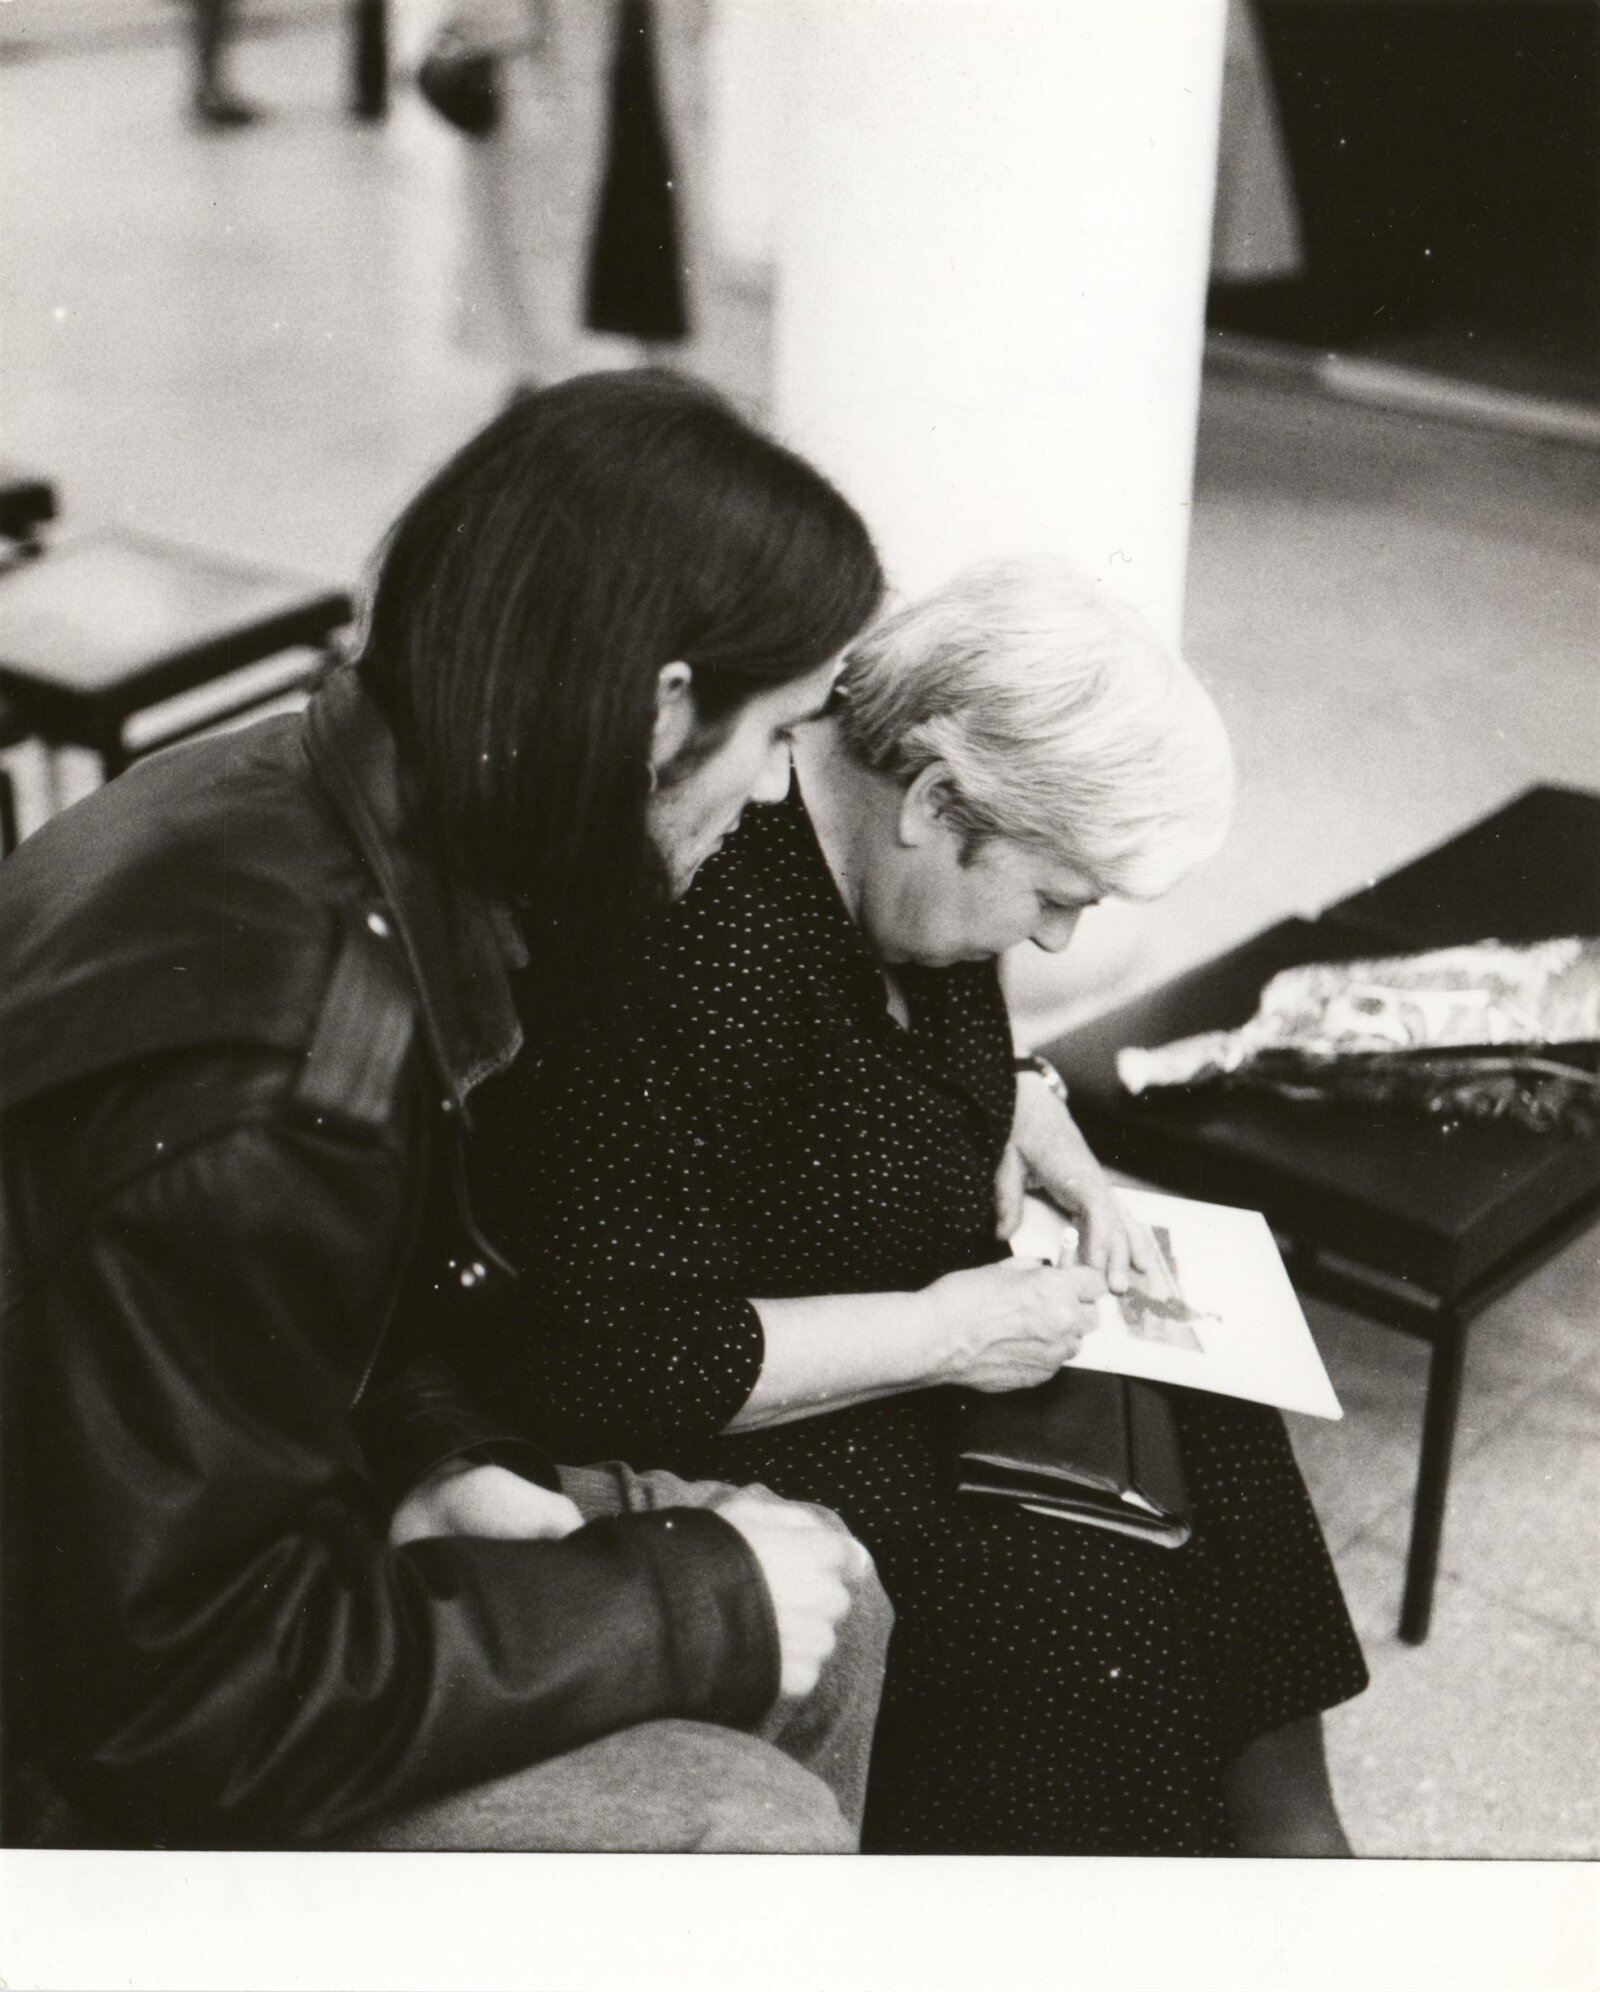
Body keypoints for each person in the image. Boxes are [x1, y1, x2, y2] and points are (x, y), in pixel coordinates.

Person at [0, 371, 892, 1852]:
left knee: (827, 1600)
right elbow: (174, 1705)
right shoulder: (284, 1087)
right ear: (663, 710)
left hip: (184, 1561)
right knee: (747, 1824)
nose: (772, 795)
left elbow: (266, 1340)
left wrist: (435, 1458)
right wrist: (688, 1605)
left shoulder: (308, 792)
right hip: (77, 1741)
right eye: (781, 732)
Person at [459, 557, 1370, 1857]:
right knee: (1079, 1596)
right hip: (743, 1407)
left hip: (916, 1324)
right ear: (937, 801)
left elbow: (900, 1045)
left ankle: (1295, 1856)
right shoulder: (705, 933)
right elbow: (615, 1360)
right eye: (1055, 898)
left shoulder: (899, 866)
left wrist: (1026, 1105)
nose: (1056, 943)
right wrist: (946, 1335)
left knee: (1218, 1423)